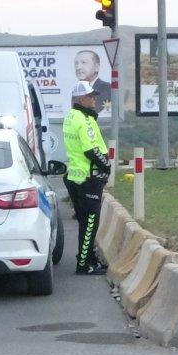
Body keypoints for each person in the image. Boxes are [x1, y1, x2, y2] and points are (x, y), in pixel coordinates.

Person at [63, 81, 111, 275]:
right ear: (81, 99)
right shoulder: (84, 119)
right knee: (90, 223)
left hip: (75, 176)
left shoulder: (70, 116)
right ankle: (84, 264)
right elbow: (91, 150)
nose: (94, 100)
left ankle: (89, 258)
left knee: (85, 221)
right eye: (91, 96)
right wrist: (106, 165)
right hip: (88, 178)